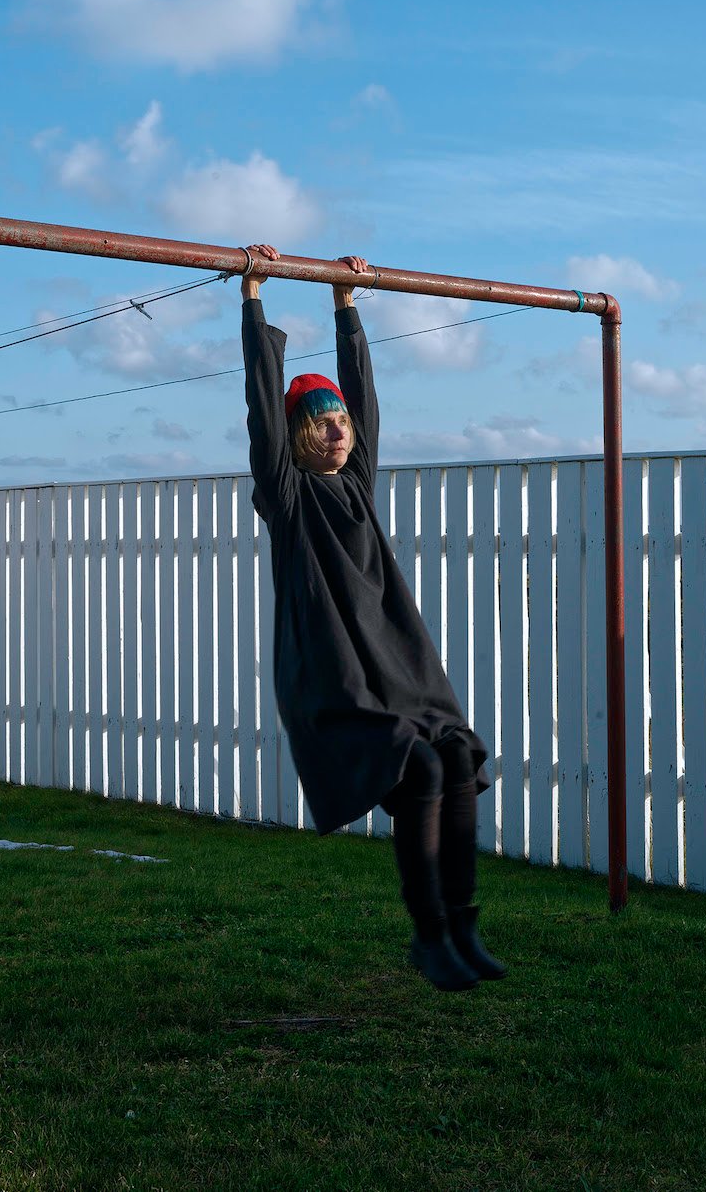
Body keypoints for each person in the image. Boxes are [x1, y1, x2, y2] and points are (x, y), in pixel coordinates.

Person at [238, 243, 507, 991]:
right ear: (298, 434)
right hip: (335, 682)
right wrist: (253, 298)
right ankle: (427, 935)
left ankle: (461, 923)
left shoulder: (357, 484)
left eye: (341, 421)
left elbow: (366, 394)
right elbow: (262, 411)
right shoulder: (288, 498)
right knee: (417, 764)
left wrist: (344, 303)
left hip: (396, 668)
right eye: (320, 421)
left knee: (456, 752)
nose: (337, 429)